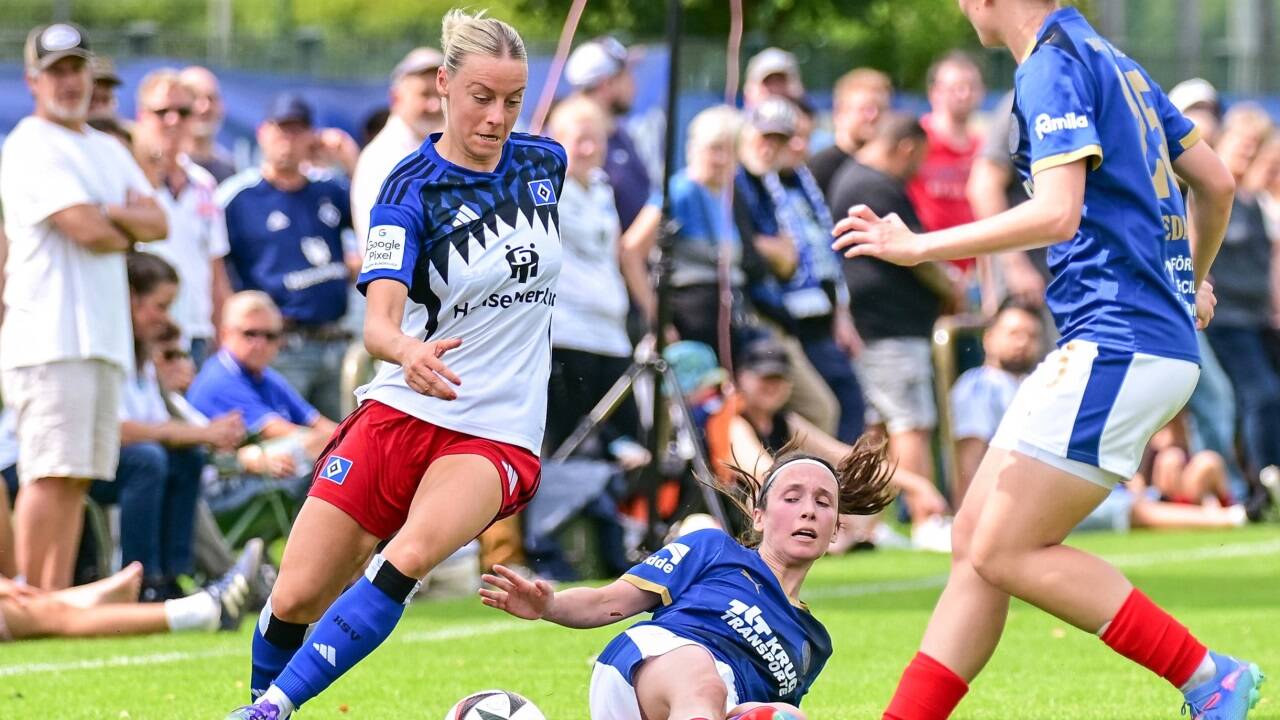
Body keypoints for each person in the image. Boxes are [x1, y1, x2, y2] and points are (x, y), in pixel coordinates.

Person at [831, 2, 1259, 718]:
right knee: (975, 541)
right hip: (1130, 341)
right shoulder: (1114, 61)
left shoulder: (1051, 64)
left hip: (1119, 342)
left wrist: (917, 247)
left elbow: (1057, 213)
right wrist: (1185, 284)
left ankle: (1208, 677)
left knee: (1003, 549)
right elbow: (1213, 182)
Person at [223, 11, 563, 719]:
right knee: (295, 595)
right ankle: (265, 701)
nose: (497, 116)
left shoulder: (545, 165)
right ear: (444, 85)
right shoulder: (406, 189)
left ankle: (270, 709)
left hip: (496, 429)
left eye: (512, 99)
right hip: (402, 407)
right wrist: (409, 351)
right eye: (481, 96)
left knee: (403, 560)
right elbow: (379, 324)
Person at [483, 437, 895, 720]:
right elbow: (610, 601)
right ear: (759, 516)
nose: (808, 510)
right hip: (647, 669)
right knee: (702, 677)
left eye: (823, 503)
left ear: (835, 531)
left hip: (713, 706)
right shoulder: (712, 548)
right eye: (792, 498)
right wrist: (549, 605)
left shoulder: (813, 644)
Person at [0, 23, 168, 590]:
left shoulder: (102, 146)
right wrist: (116, 219)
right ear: (33, 81)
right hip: (49, 334)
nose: (69, 82)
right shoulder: (28, 143)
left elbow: (157, 221)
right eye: (56, 72)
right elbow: (87, 230)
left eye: (76, 69)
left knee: (75, 477)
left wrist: (107, 216)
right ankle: (30, 599)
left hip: (99, 336)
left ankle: (53, 602)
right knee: (49, 474)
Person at [827, 113, 955, 523]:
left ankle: (867, 523)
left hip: (871, 327)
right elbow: (917, 255)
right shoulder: (876, 187)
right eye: (919, 157)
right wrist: (953, 289)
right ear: (906, 147)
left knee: (878, 429)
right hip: (891, 328)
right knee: (910, 422)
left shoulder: (852, 179)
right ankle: (926, 517)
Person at [706, 336, 948, 552]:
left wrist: (918, 485)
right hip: (733, 521)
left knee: (857, 498)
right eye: (765, 378)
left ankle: (855, 535)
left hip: (780, 516)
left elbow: (844, 456)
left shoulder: (785, 421)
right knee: (772, 494)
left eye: (779, 378)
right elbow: (764, 473)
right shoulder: (734, 422)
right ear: (742, 378)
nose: (772, 386)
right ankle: (840, 537)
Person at [218, 94, 360, 421]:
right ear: (262, 132)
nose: (288, 139)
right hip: (278, 346)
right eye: (281, 129)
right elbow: (217, 268)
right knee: (290, 451)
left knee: (343, 450)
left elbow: (377, 219)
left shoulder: (331, 190)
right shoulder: (238, 197)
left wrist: (350, 162)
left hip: (335, 341)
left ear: (312, 136)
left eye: (298, 130)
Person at [541, 95, 643, 464]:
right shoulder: (544, 187)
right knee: (568, 449)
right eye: (578, 138)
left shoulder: (602, 188)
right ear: (557, 139)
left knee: (631, 447)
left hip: (611, 333)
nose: (587, 148)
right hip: (567, 334)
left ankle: (620, 521)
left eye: (595, 139)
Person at [1202, 105, 1280, 492]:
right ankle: (1262, 483)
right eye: (1242, 144)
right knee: (1259, 395)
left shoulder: (1253, 201)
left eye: (1255, 148)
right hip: (1223, 319)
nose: (1246, 155)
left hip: (1257, 319)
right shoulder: (1205, 191)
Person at [132, 68, 233, 364]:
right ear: (141, 116)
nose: (173, 120)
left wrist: (222, 332)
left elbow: (216, 270)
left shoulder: (204, 183)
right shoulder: (129, 178)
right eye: (162, 111)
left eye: (183, 111)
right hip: (144, 333)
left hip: (198, 335)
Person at [188, 291, 339, 479]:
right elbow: (276, 431)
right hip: (220, 479)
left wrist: (351, 440)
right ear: (225, 334)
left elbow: (317, 422)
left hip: (258, 475)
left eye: (270, 336)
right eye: (250, 334)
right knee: (311, 450)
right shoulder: (220, 377)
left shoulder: (265, 375)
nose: (260, 344)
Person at [350, 47, 446, 245]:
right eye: (424, 95)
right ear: (396, 98)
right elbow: (380, 246)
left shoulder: (446, 145)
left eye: (440, 94)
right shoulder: (381, 159)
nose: (435, 105)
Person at [949, 301, 1043, 501]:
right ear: (989, 338)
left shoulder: (1035, 384)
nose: (1022, 342)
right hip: (1006, 500)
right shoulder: (979, 385)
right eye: (1014, 334)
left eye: (1031, 336)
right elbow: (968, 463)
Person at [907, 51, 985, 287]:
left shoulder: (984, 149)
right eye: (956, 88)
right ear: (934, 93)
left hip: (975, 277)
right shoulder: (914, 143)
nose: (965, 94)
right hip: (925, 271)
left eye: (972, 86)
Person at [565, 36, 651, 232]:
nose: (634, 85)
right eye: (627, 76)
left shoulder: (621, 135)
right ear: (606, 84)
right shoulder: (570, 143)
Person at [808, 68, 892, 196]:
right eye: (866, 109)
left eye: (881, 109)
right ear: (840, 111)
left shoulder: (887, 167)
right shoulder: (819, 168)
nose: (874, 116)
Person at [180, 66, 237, 183]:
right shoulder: (163, 168)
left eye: (211, 98)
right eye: (194, 97)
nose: (204, 107)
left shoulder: (229, 169)